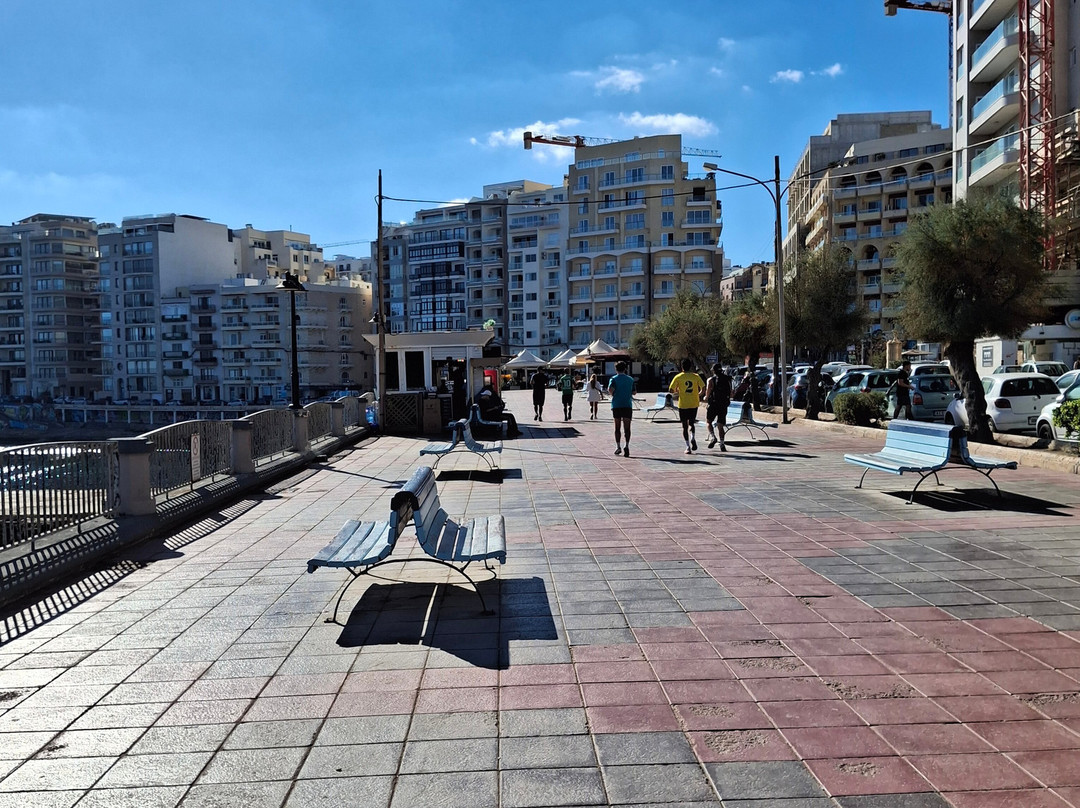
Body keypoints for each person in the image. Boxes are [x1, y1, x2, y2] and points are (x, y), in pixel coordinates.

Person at [669, 359, 706, 454]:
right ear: (690, 366)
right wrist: (699, 394)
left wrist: (677, 390)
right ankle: (693, 437)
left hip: (683, 404)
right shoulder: (696, 376)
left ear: (682, 367)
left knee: (684, 426)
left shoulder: (678, 377)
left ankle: (687, 447)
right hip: (694, 403)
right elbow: (703, 387)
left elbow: (671, 390)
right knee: (692, 423)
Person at [607, 361, 635, 456]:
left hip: (616, 405)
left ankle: (618, 446)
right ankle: (626, 445)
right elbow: (634, 392)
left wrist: (614, 394)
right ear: (625, 369)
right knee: (627, 428)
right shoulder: (630, 379)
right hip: (627, 404)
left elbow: (610, 390)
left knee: (617, 427)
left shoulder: (613, 379)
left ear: (616, 369)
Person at [704, 362, 731, 452]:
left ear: (714, 371)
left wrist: (706, 397)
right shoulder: (727, 379)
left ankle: (713, 437)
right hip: (723, 404)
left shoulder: (710, 380)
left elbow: (707, 393)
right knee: (720, 425)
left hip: (713, 404)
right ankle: (722, 443)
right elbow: (732, 393)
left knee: (708, 422)